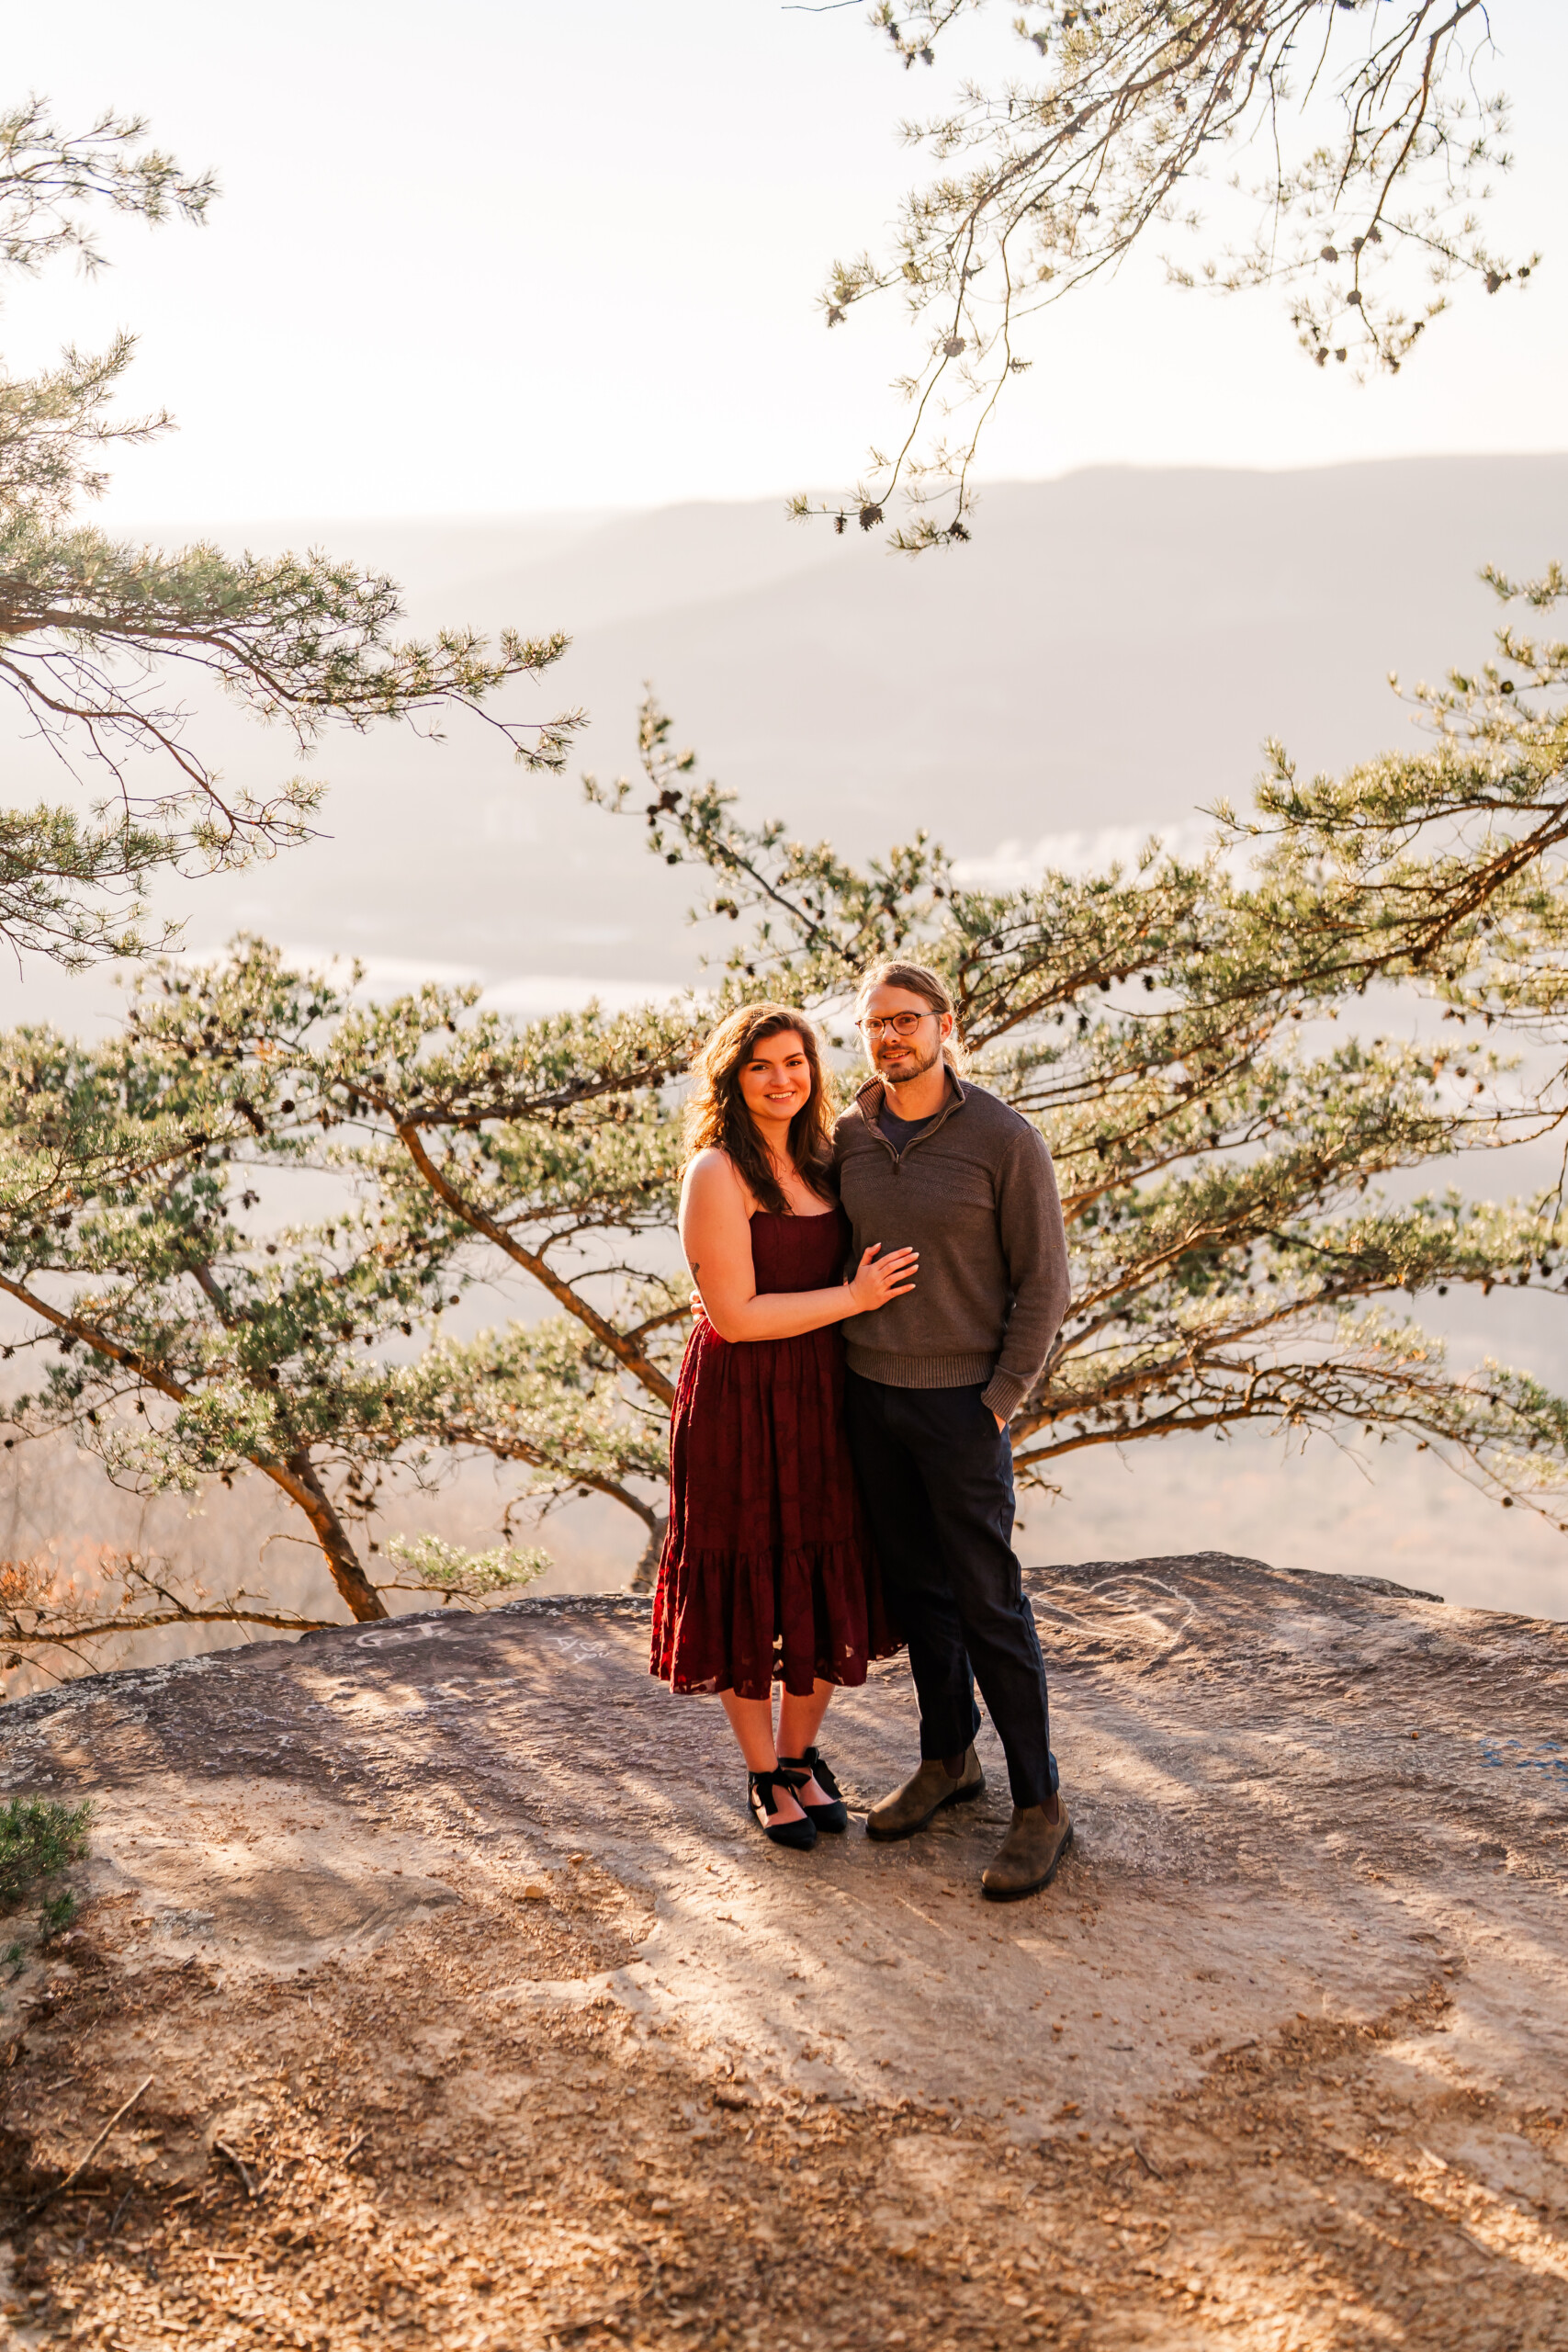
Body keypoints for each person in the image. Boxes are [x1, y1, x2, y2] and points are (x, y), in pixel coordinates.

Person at [834, 960, 1074, 1901]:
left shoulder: (1003, 1138)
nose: (889, 1036)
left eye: (905, 1019)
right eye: (874, 1024)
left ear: (944, 1024)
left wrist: (1001, 1395)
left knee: (989, 1602)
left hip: (962, 1404)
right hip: (871, 1398)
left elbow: (1045, 1280)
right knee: (918, 1594)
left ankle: (1040, 1803)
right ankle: (948, 1760)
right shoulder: (848, 1135)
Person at [651, 1003, 915, 1849]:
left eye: (795, 1062)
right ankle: (762, 1772)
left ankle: (802, 1757)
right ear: (733, 1079)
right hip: (739, 1396)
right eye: (761, 1066)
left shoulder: (828, 1159)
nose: (782, 1080)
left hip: (822, 1393)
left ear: (813, 1070)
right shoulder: (715, 1173)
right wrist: (851, 1300)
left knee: (820, 1561)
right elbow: (731, 1315)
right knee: (745, 1569)